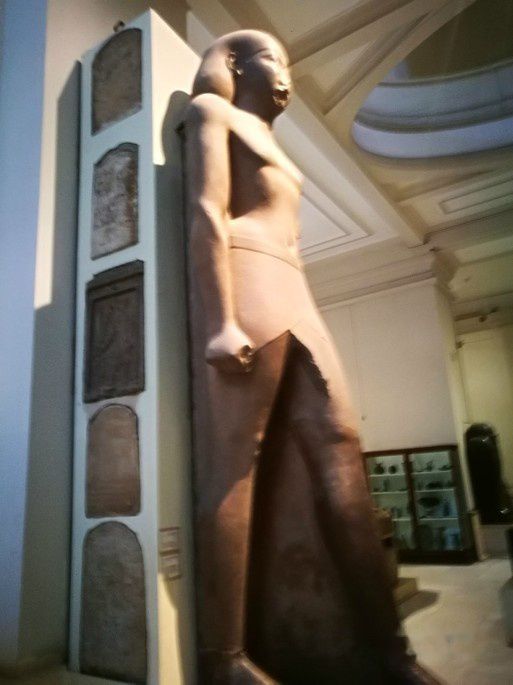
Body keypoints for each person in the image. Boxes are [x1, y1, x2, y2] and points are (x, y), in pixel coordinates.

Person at [185, 29, 437, 684]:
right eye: (274, 59)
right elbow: (207, 212)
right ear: (234, 63)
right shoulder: (211, 112)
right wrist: (220, 320)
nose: (287, 76)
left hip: (294, 288)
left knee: (341, 448)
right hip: (248, 277)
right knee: (234, 466)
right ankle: (225, 657)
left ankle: (387, 649)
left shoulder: (270, 139)